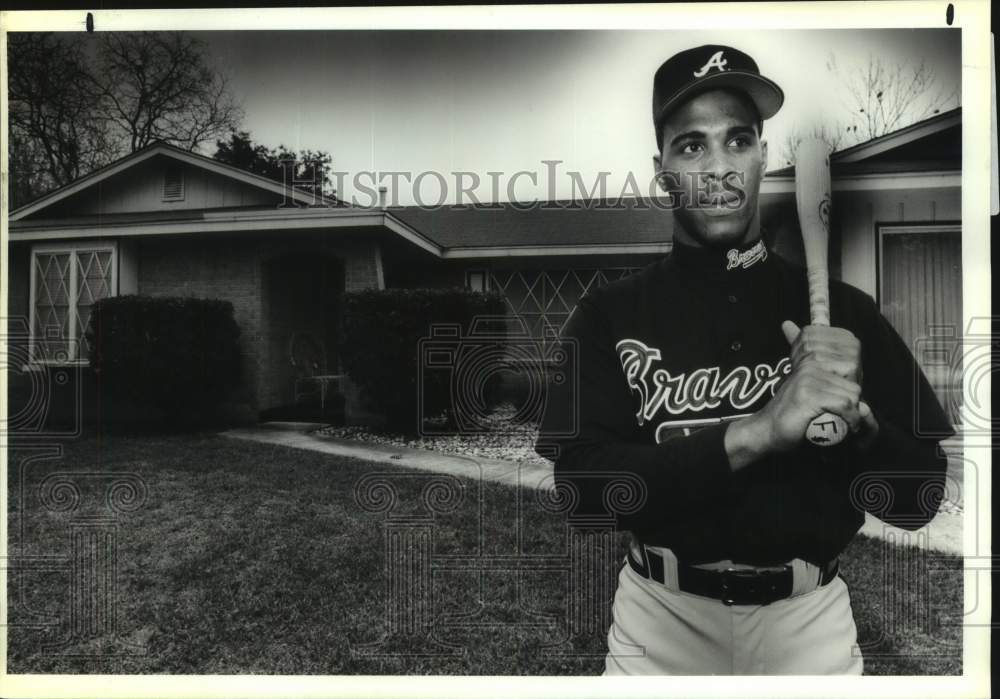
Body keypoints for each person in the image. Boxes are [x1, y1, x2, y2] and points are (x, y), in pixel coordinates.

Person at [534, 44, 954, 675]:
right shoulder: (610, 316)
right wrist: (758, 432)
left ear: (763, 157)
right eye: (692, 145)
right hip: (661, 624)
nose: (719, 168)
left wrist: (863, 425)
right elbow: (585, 495)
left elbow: (918, 499)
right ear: (662, 169)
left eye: (738, 141)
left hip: (808, 625)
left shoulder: (843, 315)